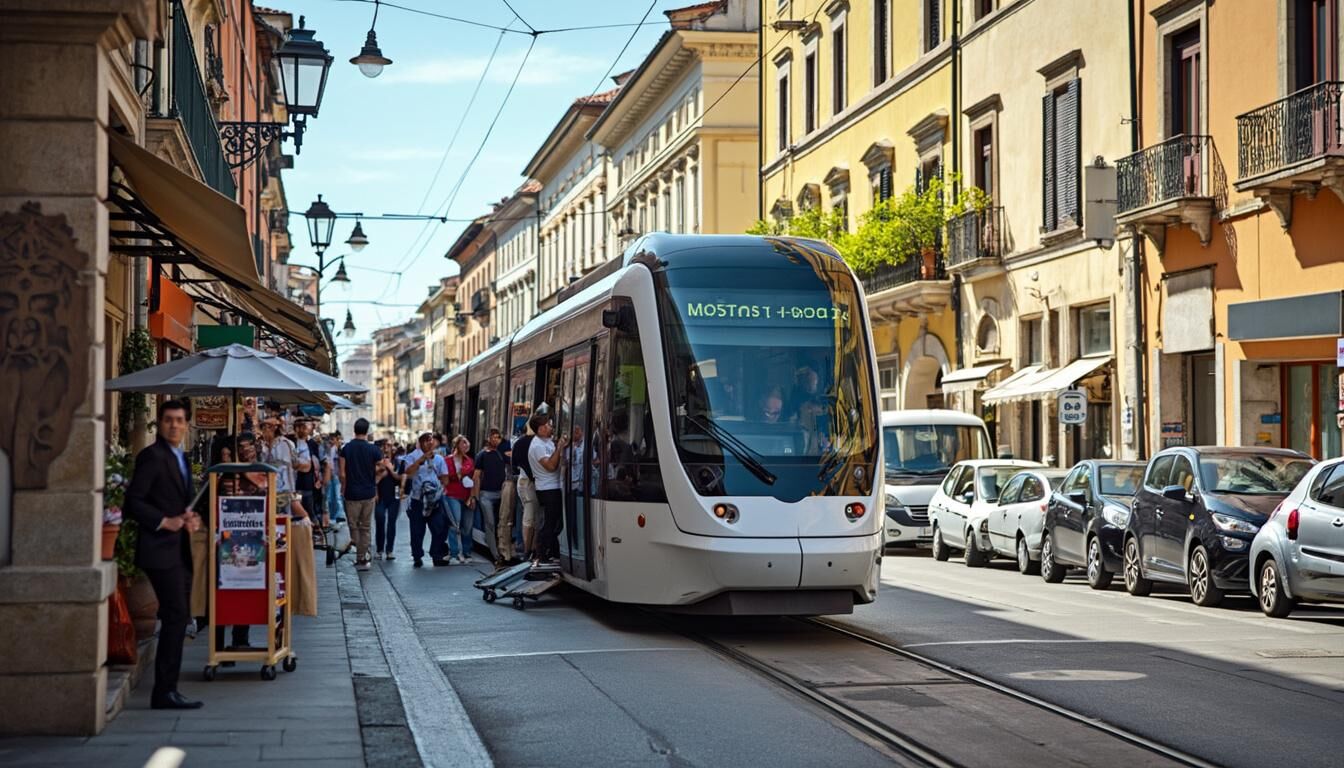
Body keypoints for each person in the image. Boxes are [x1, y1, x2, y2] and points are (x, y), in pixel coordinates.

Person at [123, 400, 203, 710]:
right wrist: (163, 521)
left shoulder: (180, 457)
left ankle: (168, 687)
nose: (174, 425)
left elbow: (181, 503)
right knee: (175, 616)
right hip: (159, 551)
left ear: (186, 425)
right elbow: (133, 502)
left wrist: (190, 519)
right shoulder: (152, 456)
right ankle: (164, 691)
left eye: (179, 420)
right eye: (168, 420)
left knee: (178, 617)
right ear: (160, 423)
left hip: (178, 550)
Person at [340, 419, 382, 571]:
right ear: (367, 430)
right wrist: (374, 478)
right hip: (368, 492)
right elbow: (381, 468)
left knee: (354, 525)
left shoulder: (346, 449)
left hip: (352, 493)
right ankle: (363, 558)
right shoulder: (374, 450)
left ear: (354, 430)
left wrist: (343, 487)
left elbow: (342, 473)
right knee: (366, 527)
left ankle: (359, 555)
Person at [404, 432, 451, 567]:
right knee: (417, 530)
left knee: (440, 527)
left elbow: (445, 478)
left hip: (434, 500)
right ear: (421, 442)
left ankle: (436, 555)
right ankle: (417, 556)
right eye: (426, 441)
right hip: (418, 499)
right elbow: (408, 473)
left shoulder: (439, 459)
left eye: (432, 441)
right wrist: (421, 460)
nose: (430, 443)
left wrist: (438, 487)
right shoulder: (412, 457)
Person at [528, 413, 568, 565]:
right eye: (546, 426)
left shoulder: (547, 441)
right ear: (539, 430)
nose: (549, 427)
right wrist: (559, 449)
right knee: (551, 522)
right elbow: (551, 466)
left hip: (554, 485)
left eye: (549, 425)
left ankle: (551, 551)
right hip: (548, 488)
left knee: (556, 521)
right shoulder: (537, 445)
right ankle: (542, 553)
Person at [471, 428, 509, 566]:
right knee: (490, 524)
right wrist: (475, 496)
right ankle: (495, 555)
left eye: (498, 437)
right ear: (488, 438)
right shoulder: (481, 455)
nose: (495, 440)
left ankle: (502, 551)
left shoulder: (502, 454)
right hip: (485, 495)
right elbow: (476, 477)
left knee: (501, 523)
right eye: (493, 437)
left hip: (501, 493)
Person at [443, 435, 477, 565]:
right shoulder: (447, 460)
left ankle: (466, 552)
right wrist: (457, 476)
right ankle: (454, 553)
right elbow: (444, 477)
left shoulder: (469, 461)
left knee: (467, 526)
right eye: (463, 443)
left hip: (467, 496)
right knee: (454, 523)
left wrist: (472, 496)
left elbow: (474, 479)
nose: (466, 446)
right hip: (452, 495)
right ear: (457, 445)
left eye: (467, 444)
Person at [513, 423, 539, 560]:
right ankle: (528, 550)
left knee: (529, 516)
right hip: (530, 483)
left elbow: (514, 466)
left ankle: (527, 548)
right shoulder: (534, 442)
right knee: (531, 517)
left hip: (524, 481)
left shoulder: (519, 442)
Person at [373, 441, 402, 560]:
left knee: (391, 523)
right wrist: (381, 472)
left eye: (389, 446)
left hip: (394, 497)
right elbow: (373, 480)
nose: (387, 449)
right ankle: (379, 549)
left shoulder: (398, 462)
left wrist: (391, 469)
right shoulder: (376, 463)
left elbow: (400, 478)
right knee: (380, 520)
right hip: (380, 496)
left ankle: (389, 550)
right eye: (384, 447)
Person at [292, 419, 319, 523]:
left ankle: (312, 531)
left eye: (306, 427)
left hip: (307, 484)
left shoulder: (312, 444)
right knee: (297, 511)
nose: (306, 430)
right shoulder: (291, 443)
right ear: (297, 428)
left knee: (309, 510)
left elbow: (315, 463)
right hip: (295, 485)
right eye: (303, 427)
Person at [325, 432, 346, 528]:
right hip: (330, 475)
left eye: (333, 439)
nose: (331, 441)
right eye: (330, 439)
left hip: (337, 475)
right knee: (330, 496)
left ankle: (339, 516)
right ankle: (332, 516)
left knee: (337, 496)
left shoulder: (339, 450)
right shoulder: (327, 450)